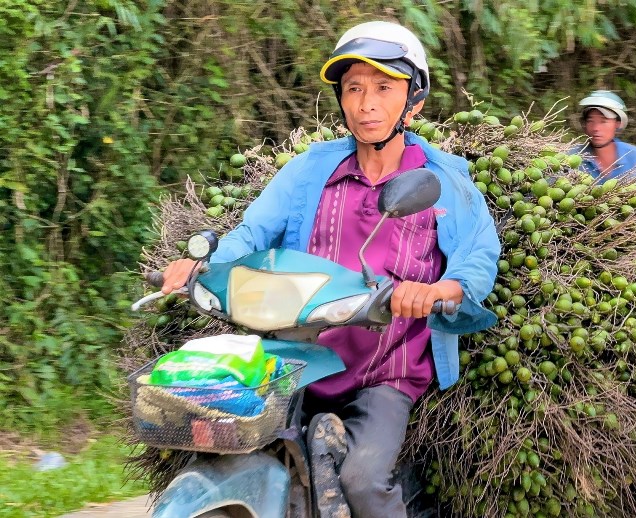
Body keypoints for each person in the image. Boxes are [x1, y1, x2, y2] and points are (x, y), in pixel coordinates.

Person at [160, 20, 500, 518]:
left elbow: (478, 254)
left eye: (384, 88)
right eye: (354, 89)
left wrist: (440, 289)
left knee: (362, 482)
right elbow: (253, 233)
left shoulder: (443, 180)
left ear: (414, 100)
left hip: (386, 371)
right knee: (229, 440)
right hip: (299, 358)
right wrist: (202, 264)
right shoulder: (310, 171)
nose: (366, 104)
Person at [575, 90, 636, 180]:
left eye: (603, 121)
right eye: (590, 121)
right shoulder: (572, 158)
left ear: (617, 123)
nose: (596, 128)